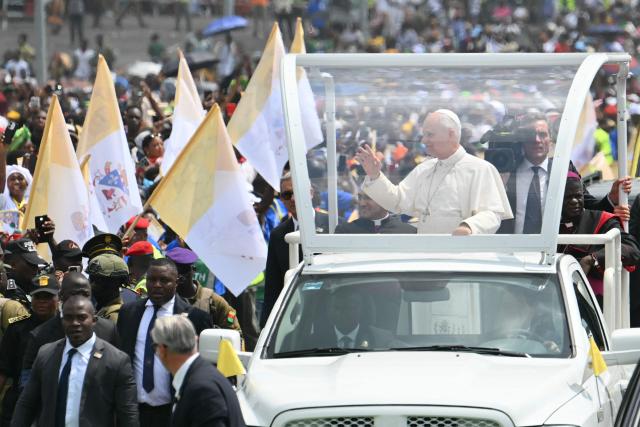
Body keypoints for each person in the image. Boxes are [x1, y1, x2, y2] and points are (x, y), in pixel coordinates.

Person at [355, 109, 513, 235]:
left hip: (464, 255)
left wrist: (469, 227)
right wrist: (375, 175)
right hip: (426, 253)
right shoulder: (425, 168)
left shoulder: (480, 169)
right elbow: (397, 201)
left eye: (430, 135)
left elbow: (492, 214)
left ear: (451, 134)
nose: (424, 141)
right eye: (424, 135)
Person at [11, 296, 139, 427]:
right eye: (68, 318)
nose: (75, 323)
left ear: (94, 320)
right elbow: (26, 404)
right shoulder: (46, 354)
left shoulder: (116, 360)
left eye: (82, 317)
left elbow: (128, 414)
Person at [116, 258, 212, 427]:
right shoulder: (128, 313)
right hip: (134, 412)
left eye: (164, 280)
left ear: (177, 282)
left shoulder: (194, 318)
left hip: (173, 414)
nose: (157, 285)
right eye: (152, 280)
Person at [498, 116, 632, 233]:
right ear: (522, 140)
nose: (537, 140)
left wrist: (611, 198)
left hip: (555, 251)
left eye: (542, 134)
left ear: (550, 139)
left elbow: (588, 207)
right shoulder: (507, 171)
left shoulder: (563, 168)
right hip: (511, 250)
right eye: (530, 135)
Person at [21, 273, 120, 385]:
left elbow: (118, 373)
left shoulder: (108, 329)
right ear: (61, 296)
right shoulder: (40, 335)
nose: (80, 299)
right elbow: (27, 380)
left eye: (85, 294)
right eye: (75, 294)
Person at [261, 172, 332, 327]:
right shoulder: (278, 235)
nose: (293, 199)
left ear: (311, 193)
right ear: (281, 199)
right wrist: (267, 325)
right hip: (294, 318)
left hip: (331, 313)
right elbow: (273, 285)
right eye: (287, 194)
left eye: (297, 192)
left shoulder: (333, 226)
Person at [558, 172, 640, 306]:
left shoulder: (601, 220)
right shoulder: (547, 226)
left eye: (578, 196)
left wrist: (592, 259)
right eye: (568, 197)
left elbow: (632, 249)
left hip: (594, 301)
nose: (574, 201)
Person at [151, 315, 245, 427]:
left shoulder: (202, 389)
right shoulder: (202, 377)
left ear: (162, 350)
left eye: (154, 347)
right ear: (195, 340)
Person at [0, 274, 58, 425]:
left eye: (48, 296)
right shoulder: (17, 329)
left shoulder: (66, 328)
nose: (42, 301)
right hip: (19, 400)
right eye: (38, 296)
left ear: (58, 299)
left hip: (54, 401)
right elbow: (3, 370)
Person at [166, 247, 242, 332]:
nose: (179, 278)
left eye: (183, 271)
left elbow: (234, 334)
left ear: (193, 270)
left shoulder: (213, 301)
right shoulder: (163, 299)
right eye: (172, 272)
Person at [335, 193, 417, 234]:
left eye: (368, 198)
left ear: (385, 201)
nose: (362, 203)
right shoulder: (345, 231)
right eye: (360, 197)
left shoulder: (408, 232)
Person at [88, 253, 136, 323]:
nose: (91, 285)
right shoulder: (102, 309)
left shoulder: (114, 317)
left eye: (98, 281)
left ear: (114, 283)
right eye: (91, 280)